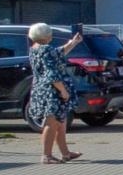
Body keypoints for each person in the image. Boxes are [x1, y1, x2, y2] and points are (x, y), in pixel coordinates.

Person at [27, 23, 83, 164]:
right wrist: (63, 90)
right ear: (45, 36)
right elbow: (51, 74)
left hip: (42, 89)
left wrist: (73, 43)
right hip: (52, 91)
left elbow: (59, 52)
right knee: (51, 123)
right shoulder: (46, 49)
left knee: (61, 122)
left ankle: (65, 153)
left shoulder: (35, 48)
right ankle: (46, 155)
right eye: (50, 33)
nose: (51, 35)